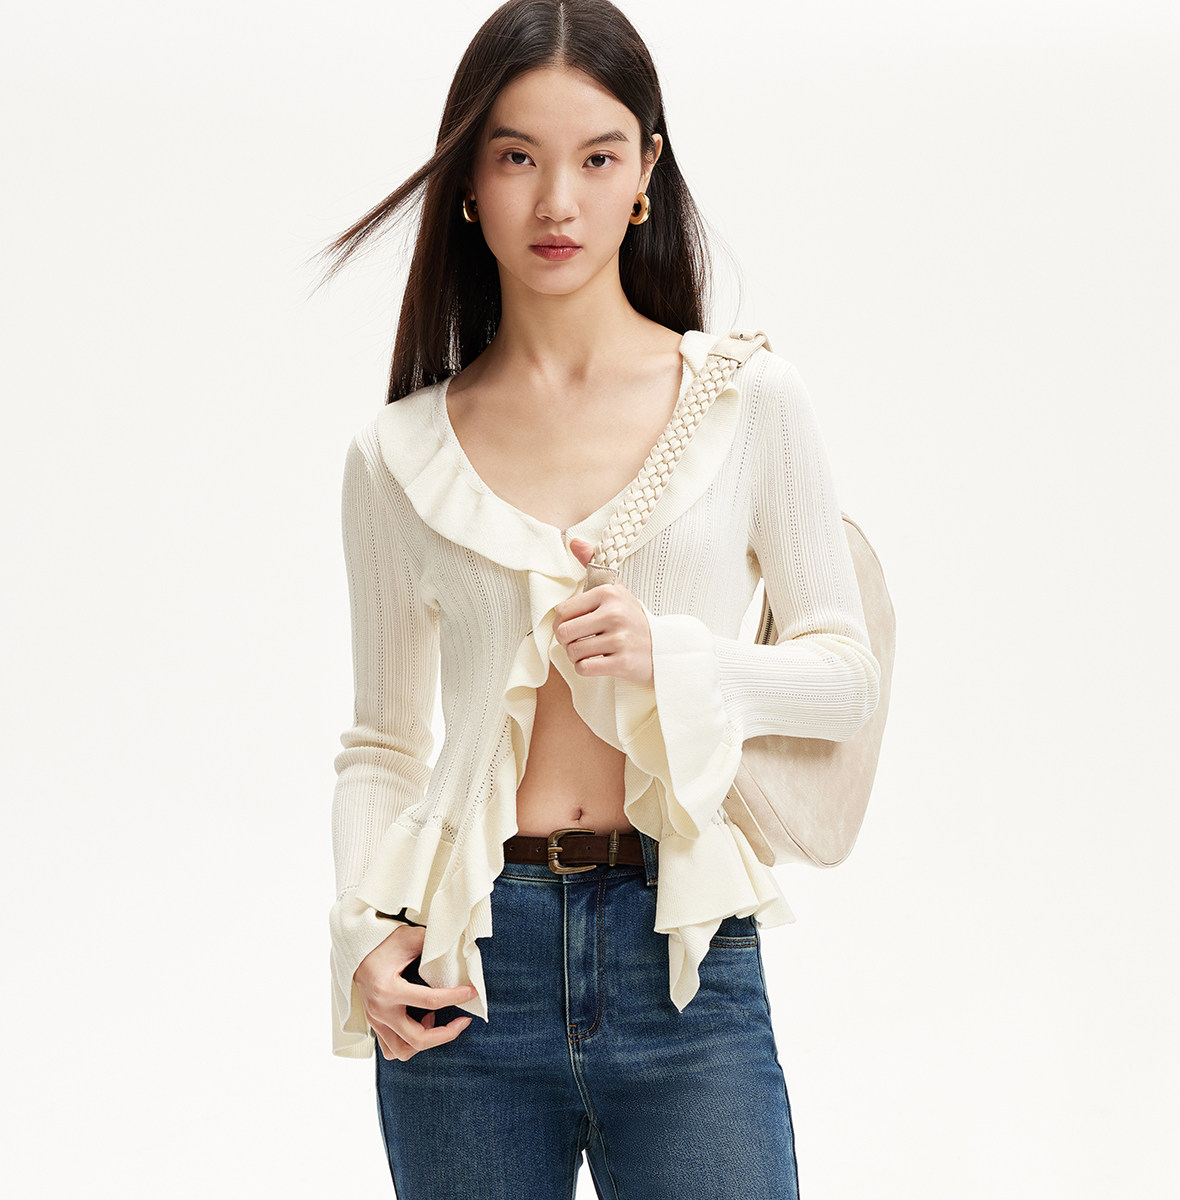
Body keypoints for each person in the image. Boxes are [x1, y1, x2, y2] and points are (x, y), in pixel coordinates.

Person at [316, 2, 881, 1196]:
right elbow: (381, 742)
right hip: (466, 968)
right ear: (469, 183)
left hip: (684, 957)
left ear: (645, 174)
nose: (557, 202)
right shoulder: (397, 455)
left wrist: (679, 657)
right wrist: (364, 932)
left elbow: (845, 678)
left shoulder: (748, 402)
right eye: (518, 156)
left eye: (598, 157)